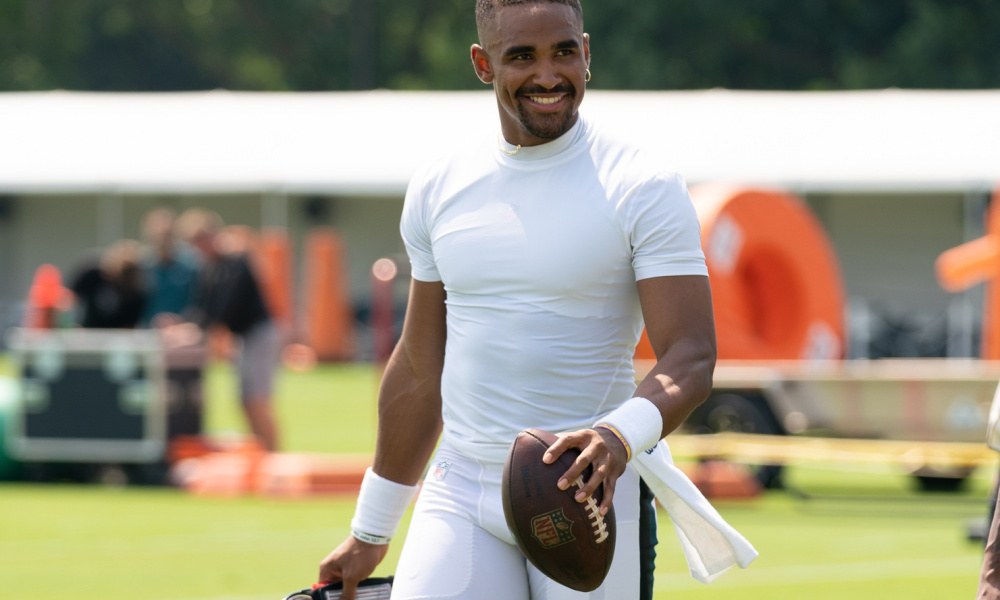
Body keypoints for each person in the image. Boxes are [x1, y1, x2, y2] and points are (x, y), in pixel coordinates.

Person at [318, 2, 755, 599]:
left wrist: (617, 436)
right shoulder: (439, 183)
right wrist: (371, 527)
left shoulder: (643, 182)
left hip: (590, 491)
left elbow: (692, 356)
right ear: (482, 63)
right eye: (522, 56)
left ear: (587, 53)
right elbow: (420, 367)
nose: (548, 75)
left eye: (564, 52)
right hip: (461, 487)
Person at [176, 208, 281, 452]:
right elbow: (203, 307)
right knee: (245, 400)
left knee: (257, 399)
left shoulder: (234, 263)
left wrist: (196, 331)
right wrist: (183, 325)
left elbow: (223, 309)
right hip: (244, 337)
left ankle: (274, 455)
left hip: (259, 333)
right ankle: (263, 452)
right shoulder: (212, 268)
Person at [139, 206, 200, 328]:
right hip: (147, 334)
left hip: (182, 336)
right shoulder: (141, 266)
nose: (163, 239)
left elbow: (198, 303)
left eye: (168, 234)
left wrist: (178, 320)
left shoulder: (191, 265)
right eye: (159, 234)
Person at [68, 239, 147, 329]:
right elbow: (69, 298)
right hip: (87, 334)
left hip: (115, 339)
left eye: (129, 271)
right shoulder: (92, 275)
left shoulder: (136, 294)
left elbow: (129, 327)